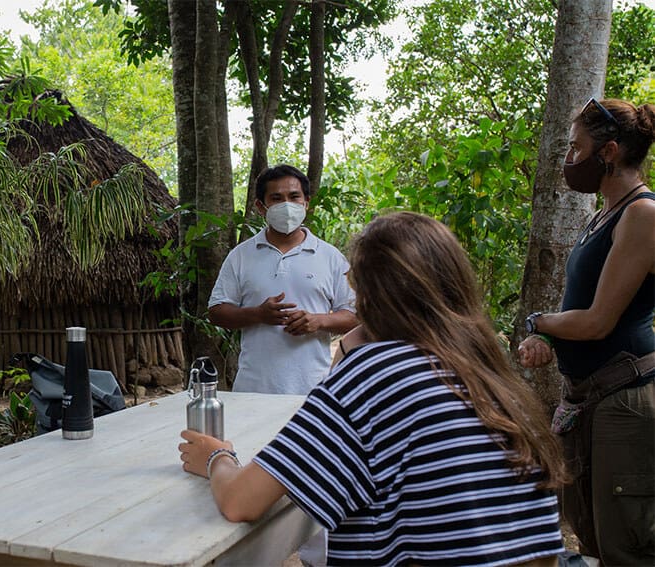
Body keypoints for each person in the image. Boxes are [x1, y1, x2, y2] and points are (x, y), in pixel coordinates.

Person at [182, 211, 567, 566]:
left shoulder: (373, 374)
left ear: (367, 297)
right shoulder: (491, 374)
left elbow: (241, 501)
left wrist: (217, 457)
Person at [519, 98, 655, 565]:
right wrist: (549, 334)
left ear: (610, 151)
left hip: (626, 400)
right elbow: (574, 311)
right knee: (591, 539)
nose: (570, 159)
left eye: (577, 148)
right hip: (587, 400)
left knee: (626, 547)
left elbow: (598, 321)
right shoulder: (602, 216)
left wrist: (538, 322)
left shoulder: (643, 214)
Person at [208, 164, 357, 395]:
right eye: (276, 198)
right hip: (252, 389)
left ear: (306, 202)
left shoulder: (331, 257)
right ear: (260, 206)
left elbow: (355, 316)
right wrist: (258, 314)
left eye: (294, 196)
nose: (287, 205)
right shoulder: (241, 255)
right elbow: (216, 311)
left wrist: (318, 321)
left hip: (312, 390)